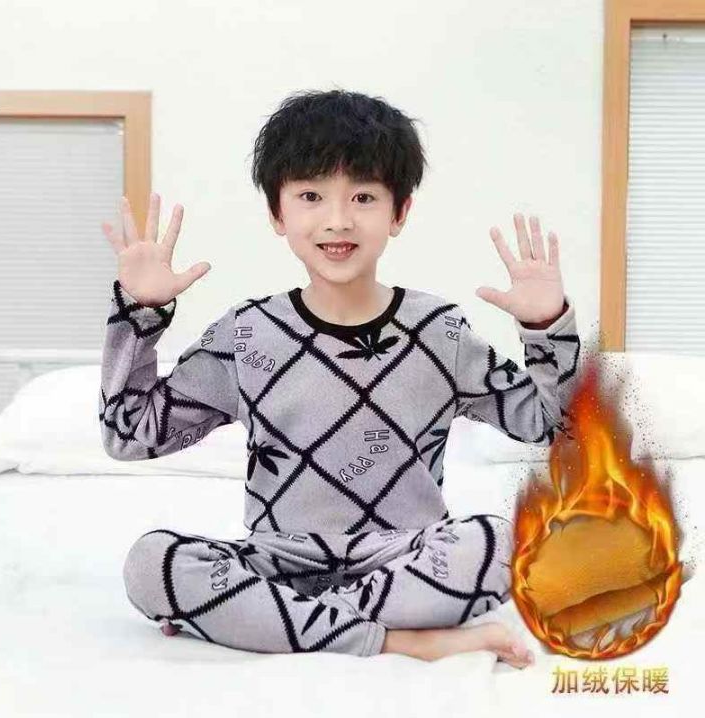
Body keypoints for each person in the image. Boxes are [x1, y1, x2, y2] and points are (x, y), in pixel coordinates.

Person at [99, 88, 580, 668]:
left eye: (363, 197)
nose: (338, 220)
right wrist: (140, 314)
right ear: (278, 214)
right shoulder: (247, 333)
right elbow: (129, 434)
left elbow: (558, 430)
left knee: (504, 542)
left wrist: (545, 327)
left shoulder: (439, 331)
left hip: (407, 557)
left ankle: (276, 621)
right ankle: (398, 639)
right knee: (151, 564)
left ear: (399, 212)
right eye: (311, 196)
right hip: (278, 560)